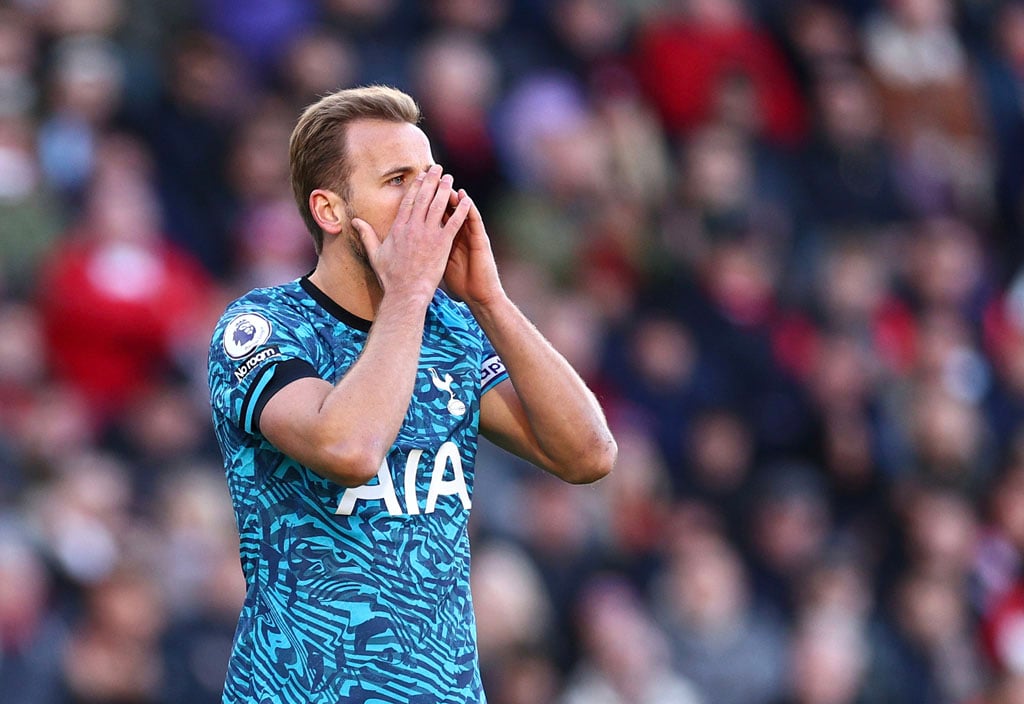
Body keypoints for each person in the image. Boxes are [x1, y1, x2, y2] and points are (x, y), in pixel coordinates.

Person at [206, 85, 617, 703]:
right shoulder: (262, 327)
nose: (429, 201)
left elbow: (588, 455)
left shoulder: (451, 327)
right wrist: (408, 295)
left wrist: (489, 301)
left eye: (431, 178)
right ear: (330, 211)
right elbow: (349, 447)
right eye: (398, 180)